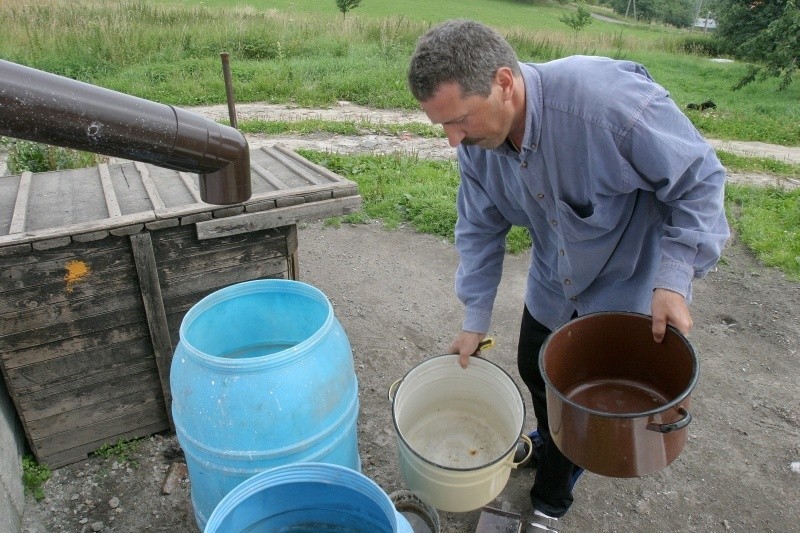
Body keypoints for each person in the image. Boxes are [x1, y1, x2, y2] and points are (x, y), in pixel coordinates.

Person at [407, 19, 730, 532]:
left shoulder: (605, 104)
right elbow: (478, 228)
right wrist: (474, 318)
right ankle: (548, 436)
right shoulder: (477, 148)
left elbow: (699, 181)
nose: (452, 141)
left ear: (504, 83)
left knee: (585, 406)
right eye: (441, 125)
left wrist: (673, 279)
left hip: (624, 290)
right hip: (554, 283)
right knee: (536, 371)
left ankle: (550, 504)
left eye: (460, 120)